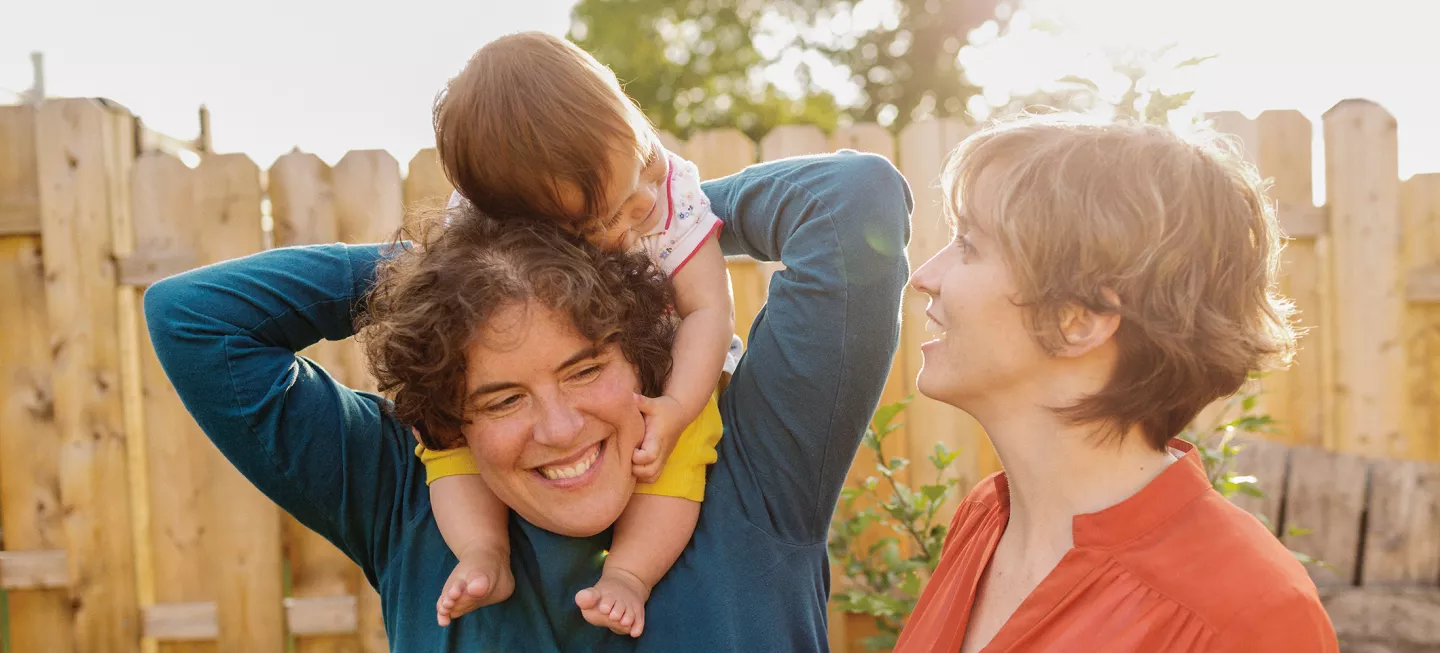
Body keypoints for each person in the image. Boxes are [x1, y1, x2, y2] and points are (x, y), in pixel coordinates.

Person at [143, 147, 913, 651]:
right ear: (451, 417)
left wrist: (625, 223)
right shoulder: (404, 494)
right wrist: (466, 264)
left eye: (584, 370)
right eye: (502, 398)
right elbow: (193, 317)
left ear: (644, 350)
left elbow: (854, 203)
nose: (559, 427)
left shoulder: (755, 460)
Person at [890, 114, 1338, 652]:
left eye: (969, 246)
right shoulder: (986, 519)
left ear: (1078, 319)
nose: (924, 277)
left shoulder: (1248, 612)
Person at [416, 32, 738, 635]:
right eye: (600, 218)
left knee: (686, 442)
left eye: (639, 163)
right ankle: (483, 551)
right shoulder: (484, 222)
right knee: (448, 438)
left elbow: (707, 312)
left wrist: (674, 405)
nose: (640, 206)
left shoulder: (666, 190)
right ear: (522, 224)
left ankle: (630, 574)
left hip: (674, 363)